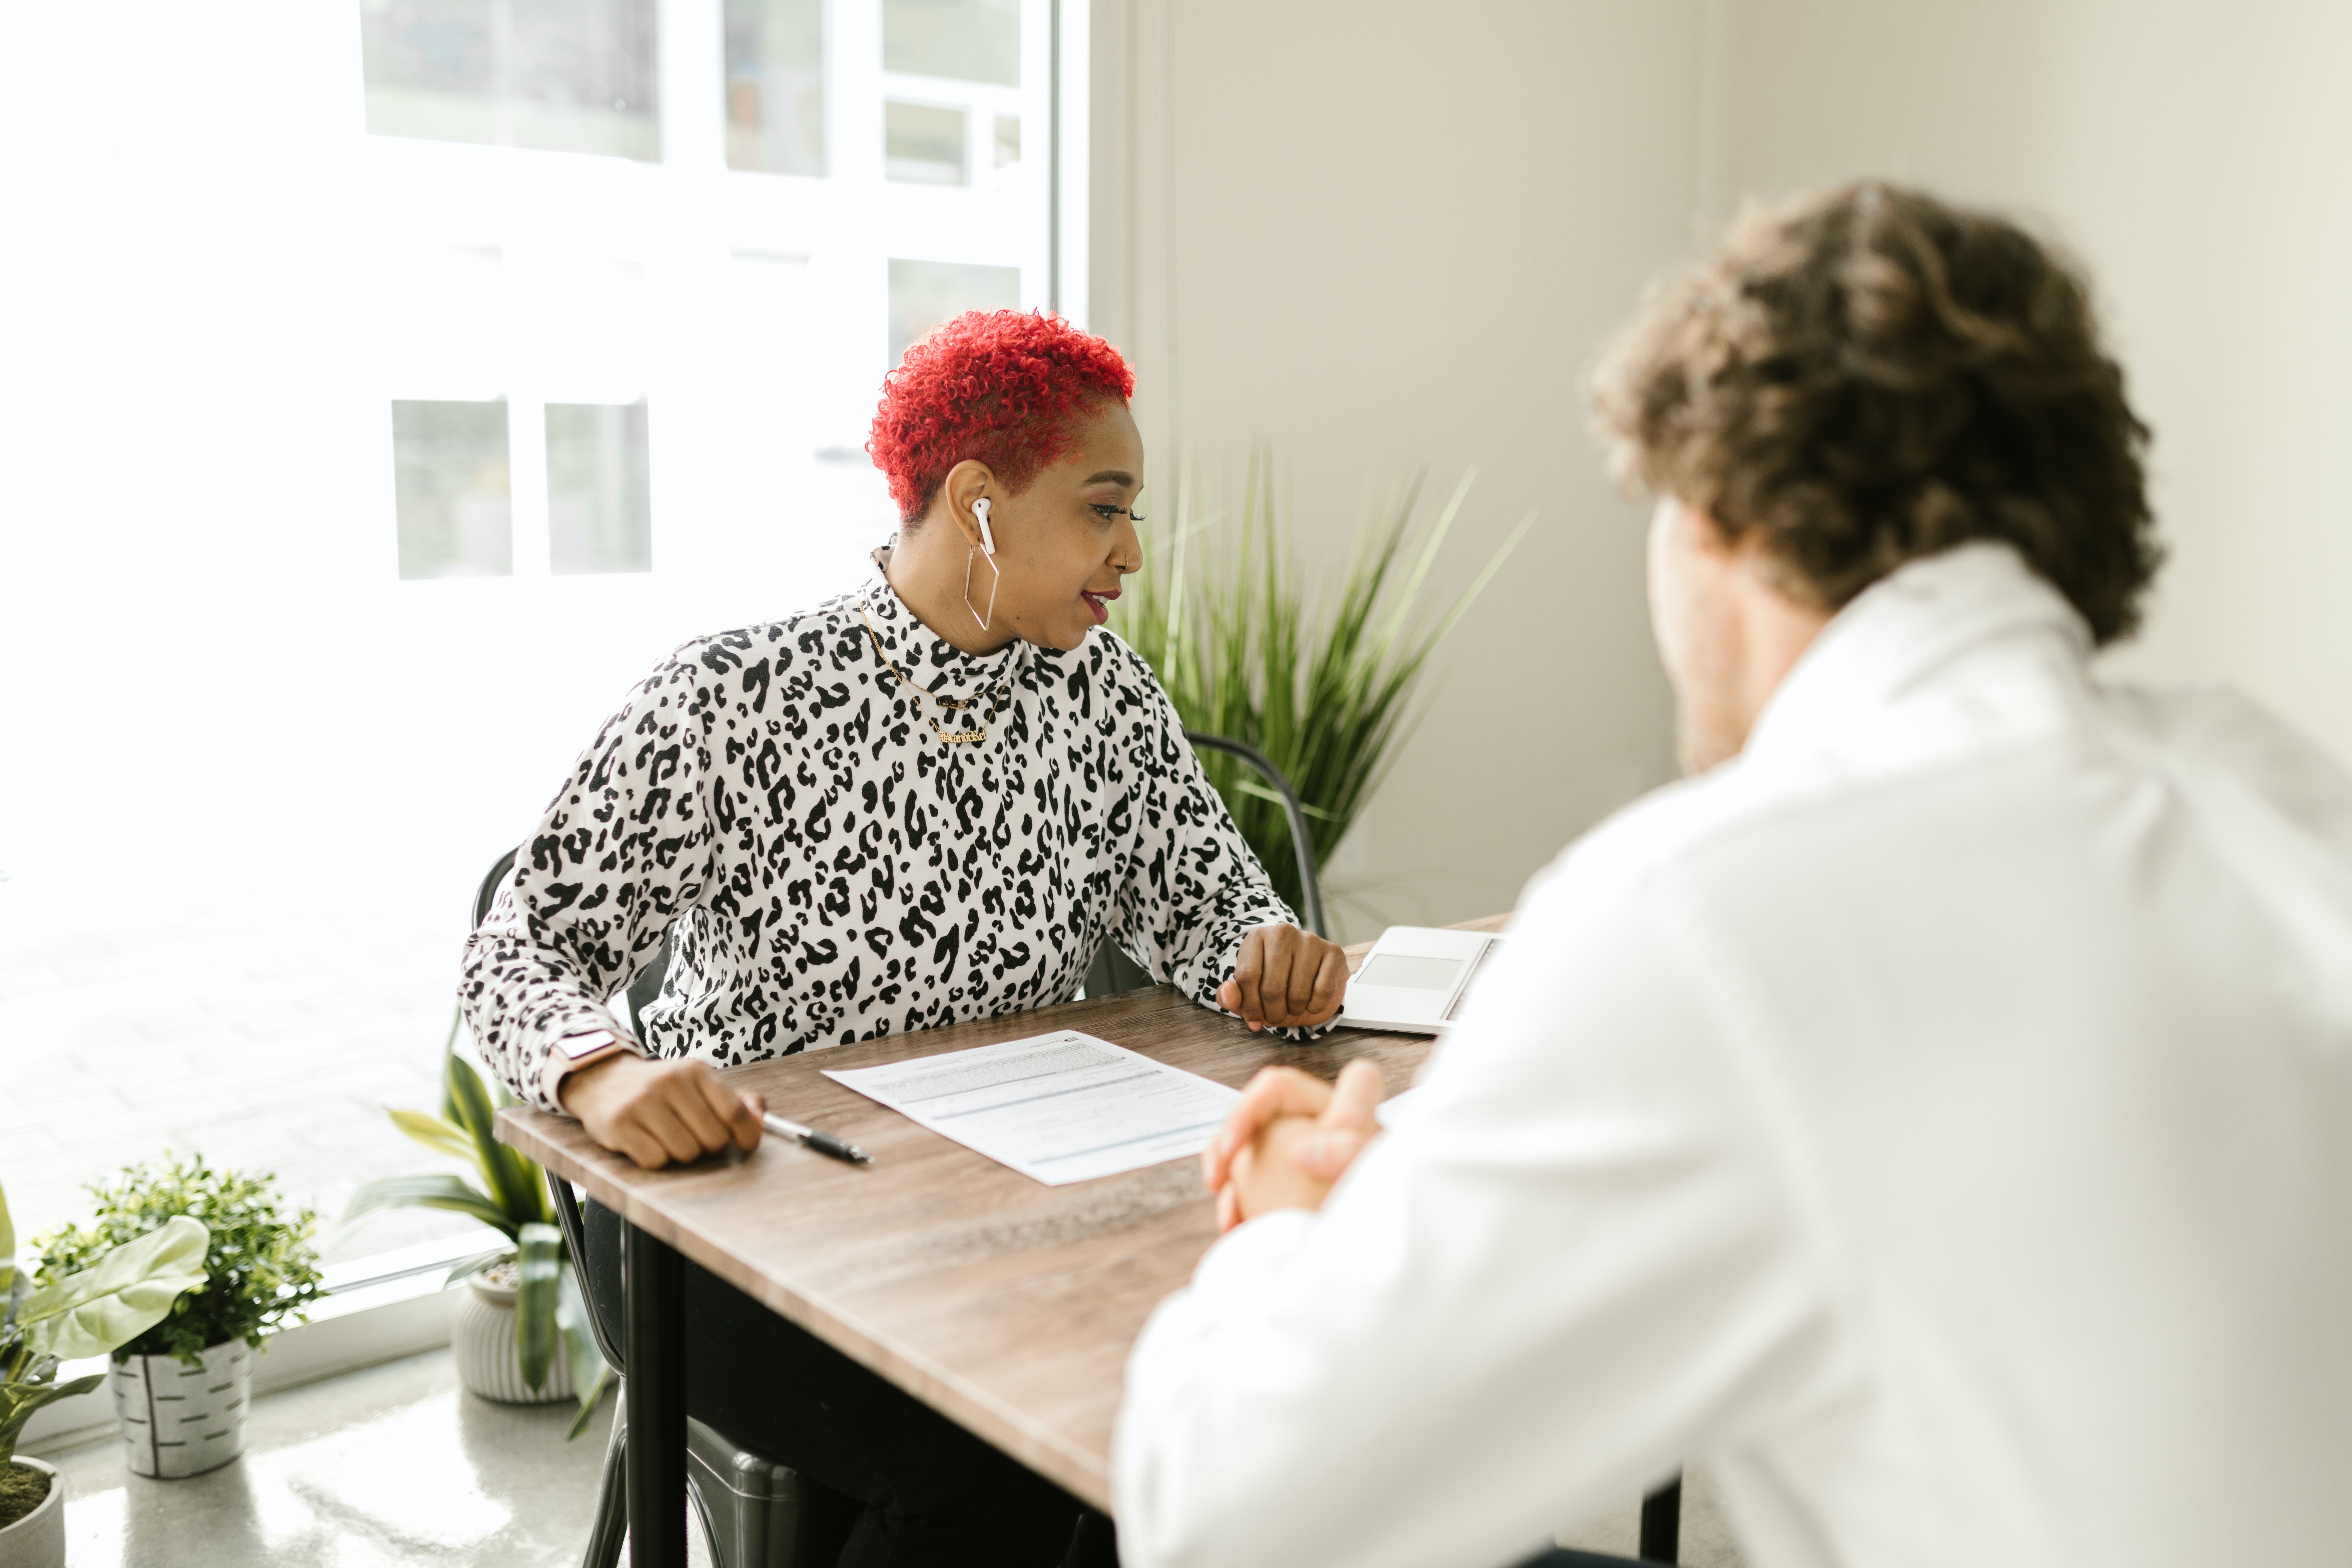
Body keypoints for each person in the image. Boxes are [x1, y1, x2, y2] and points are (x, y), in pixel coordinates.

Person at [1114, 182, 2352, 1568]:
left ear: (1717, 514)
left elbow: (1223, 1516)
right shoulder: (2289, 797)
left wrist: (1296, 1229)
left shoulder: (1709, 911)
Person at [460, 308, 1347, 1567]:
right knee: (1001, 1467)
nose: (1132, 553)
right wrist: (605, 1072)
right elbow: (517, 947)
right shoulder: (737, 697)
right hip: (739, 1224)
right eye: (1105, 508)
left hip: (1016, 1212)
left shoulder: (1107, 695)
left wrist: (1269, 951)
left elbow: (1211, 913)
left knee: (1207, 1406)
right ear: (978, 498)